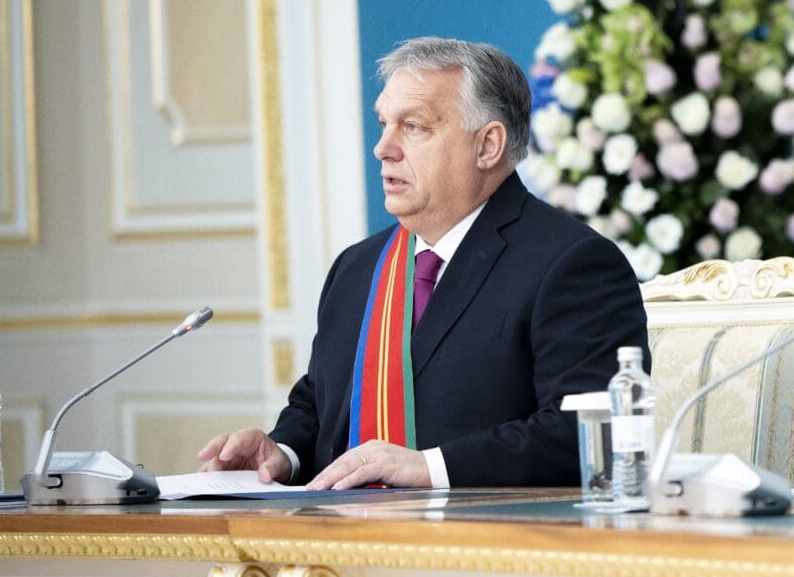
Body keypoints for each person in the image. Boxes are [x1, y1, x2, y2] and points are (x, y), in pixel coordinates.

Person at [198, 37, 648, 489]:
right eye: (383, 124)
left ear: (488, 145)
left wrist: (428, 468)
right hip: (342, 544)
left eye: (413, 127)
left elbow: (589, 436)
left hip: (487, 545)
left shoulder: (572, 264)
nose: (383, 148)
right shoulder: (357, 268)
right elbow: (318, 404)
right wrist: (284, 453)